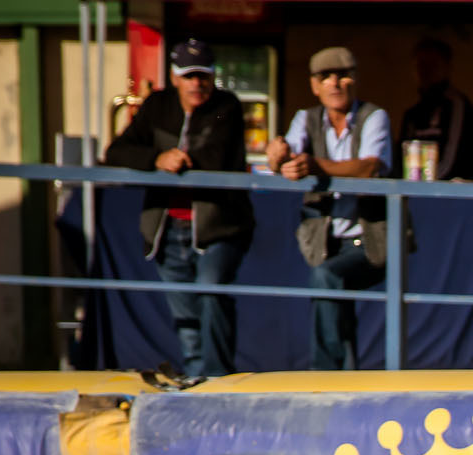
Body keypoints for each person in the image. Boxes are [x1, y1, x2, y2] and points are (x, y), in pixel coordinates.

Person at [104, 38, 253, 380]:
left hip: (218, 227)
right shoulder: (158, 106)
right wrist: (156, 159)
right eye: (189, 76)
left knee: (212, 295)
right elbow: (118, 151)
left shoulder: (224, 106)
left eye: (203, 75)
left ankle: (217, 381)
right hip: (167, 229)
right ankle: (197, 383)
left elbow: (220, 155)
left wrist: (181, 161)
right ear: (174, 77)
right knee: (186, 315)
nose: (197, 84)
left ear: (213, 76)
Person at [264, 47, 393, 371]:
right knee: (333, 297)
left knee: (327, 278)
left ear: (356, 80)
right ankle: (346, 377)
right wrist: (278, 157)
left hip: (371, 238)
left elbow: (369, 168)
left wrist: (314, 165)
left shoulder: (374, 116)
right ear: (314, 85)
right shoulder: (305, 119)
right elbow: (286, 158)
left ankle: (325, 375)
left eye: (343, 74)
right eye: (326, 76)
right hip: (323, 239)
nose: (335, 83)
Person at [400, 37, 473, 182]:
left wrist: (424, 183)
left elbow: (452, 159)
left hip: (451, 195)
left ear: (447, 67)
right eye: (420, 65)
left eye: (432, 65)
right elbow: (401, 161)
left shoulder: (457, 105)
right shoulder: (412, 114)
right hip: (417, 194)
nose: (425, 71)